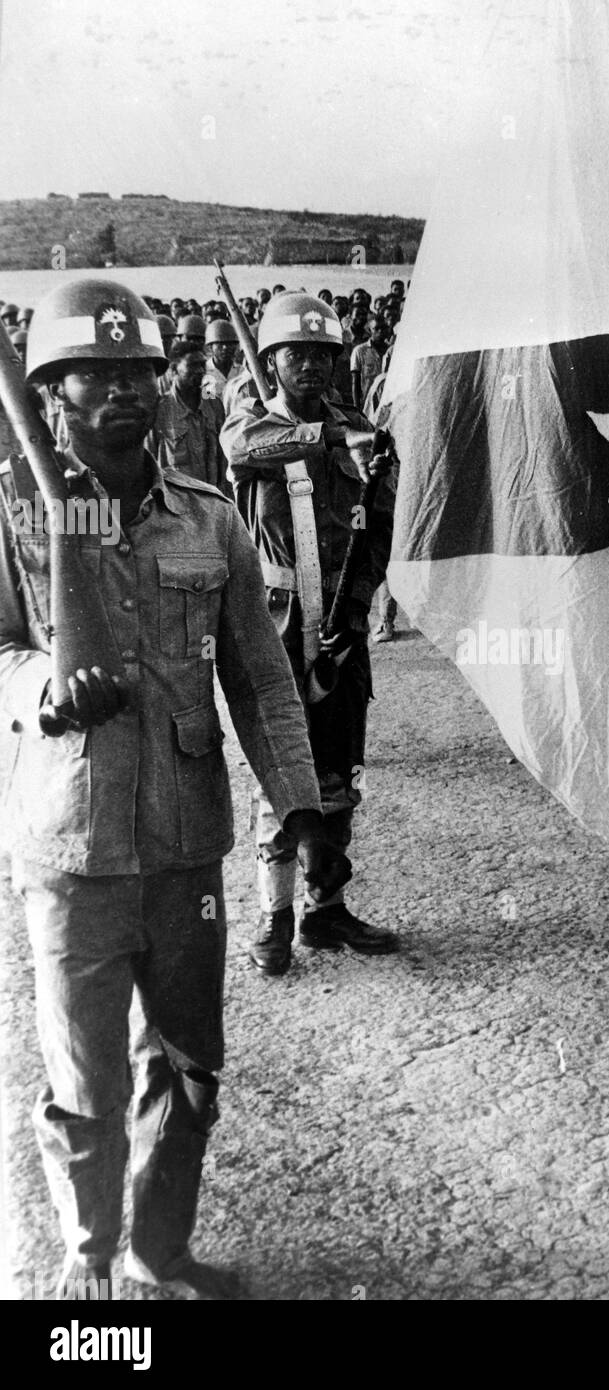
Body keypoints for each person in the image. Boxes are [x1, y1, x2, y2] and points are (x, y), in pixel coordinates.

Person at [0, 278, 347, 1300]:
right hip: (70, 850)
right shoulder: (15, 513)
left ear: (161, 387)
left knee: (190, 1064)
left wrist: (301, 804)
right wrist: (42, 692)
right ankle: (89, 1262)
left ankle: (158, 1248)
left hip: (185, 844)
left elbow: (260, 675)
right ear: (53, 394)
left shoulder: (209, 519)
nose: (118, 392)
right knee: (85, 1084)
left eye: (135, 374)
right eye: (91, 376)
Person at [221, 292, 399, 975]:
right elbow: (242, 447)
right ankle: (276, 914)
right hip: (276, 629)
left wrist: (355, 613)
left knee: (336, 777)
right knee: (281, 776)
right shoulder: (254, 430)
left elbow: (379, 525)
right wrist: (323, 437)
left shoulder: (362, 430)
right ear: (270, 360)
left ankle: (328, 910)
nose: (312, 367)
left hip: (340, 628)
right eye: (296, 354)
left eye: (323, 355)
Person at [149, 342, 228, 493]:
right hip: (174, 504)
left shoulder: (214, 405)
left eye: (202, 365)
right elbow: (149, 461)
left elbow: (223, 461)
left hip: (211, 499)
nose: (200, 371)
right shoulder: (159, 410)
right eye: (192, 365)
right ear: (173, 370)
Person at [349, 319, 388, 413]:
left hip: (387, 402)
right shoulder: (359, 351)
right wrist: (357, 407)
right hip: (367, 404)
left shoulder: (391, 351)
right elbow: (355, 382)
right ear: (370, 330)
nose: (380, 331)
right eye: (376, 329)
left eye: (383, 328)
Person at [202, 318, 242, 402]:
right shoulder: (204, 373)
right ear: (210, 347)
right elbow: (208, 404)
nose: (225, 348)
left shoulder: (242, 372)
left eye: (229, 343)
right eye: (220, 343)